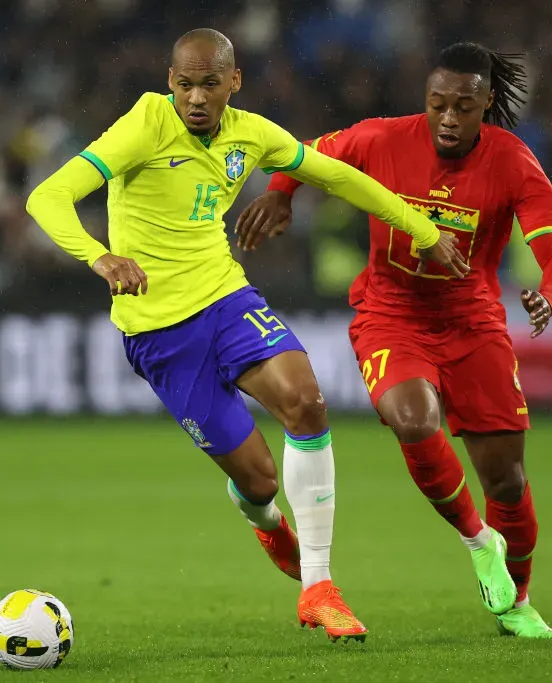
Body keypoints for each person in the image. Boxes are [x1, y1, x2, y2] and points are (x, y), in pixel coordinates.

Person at [25, 28, 467, 643]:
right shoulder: (145, 125)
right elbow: (48, 197)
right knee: (258, 481)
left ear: (234, 83)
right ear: (169, 82)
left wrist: (421, 230)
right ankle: (264, 519)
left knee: (306, 402)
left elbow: (339, 177)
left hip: (226, 299)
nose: (196, 97)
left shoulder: (252, 133)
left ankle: (319, 587)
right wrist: (100, 258)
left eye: (210, 84)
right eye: (185, 84)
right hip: (159, 335)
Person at [236, 41, 552, 638]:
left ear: (486, 104)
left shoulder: (514, 162)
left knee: (508, 482)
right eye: (438, 104)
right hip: (391, 313)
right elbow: (304, 156)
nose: (448, 118)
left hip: (473, 325)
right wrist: (280, 195)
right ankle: (477, 543)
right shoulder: (382, 139)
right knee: (413, 418)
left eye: (463, 107)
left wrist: (550, 294)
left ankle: (515, 601)